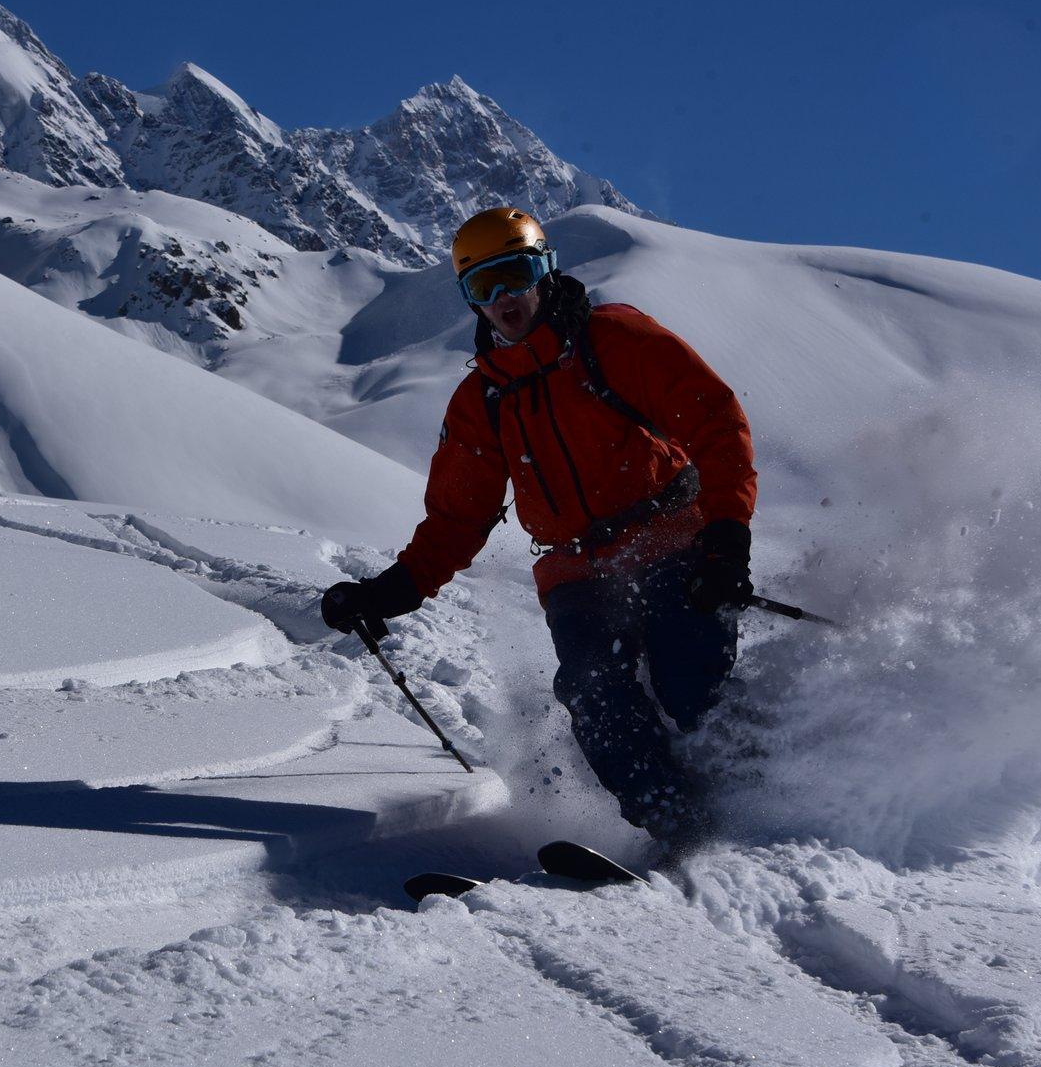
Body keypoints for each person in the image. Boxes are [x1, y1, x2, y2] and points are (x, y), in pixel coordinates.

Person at [320, 207, 756, 856]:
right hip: (576, 573)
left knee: (692, 688)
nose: (502, 300)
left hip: (670, 542)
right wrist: (388, 592)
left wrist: (727, 537)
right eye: (482, 288)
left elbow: (717, 424)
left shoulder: (616, 340)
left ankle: (753, 802)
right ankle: (684, 831)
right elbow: (456, 518)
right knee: (593, 694)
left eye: (513, 276)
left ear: (544, 270)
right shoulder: (484, 399)